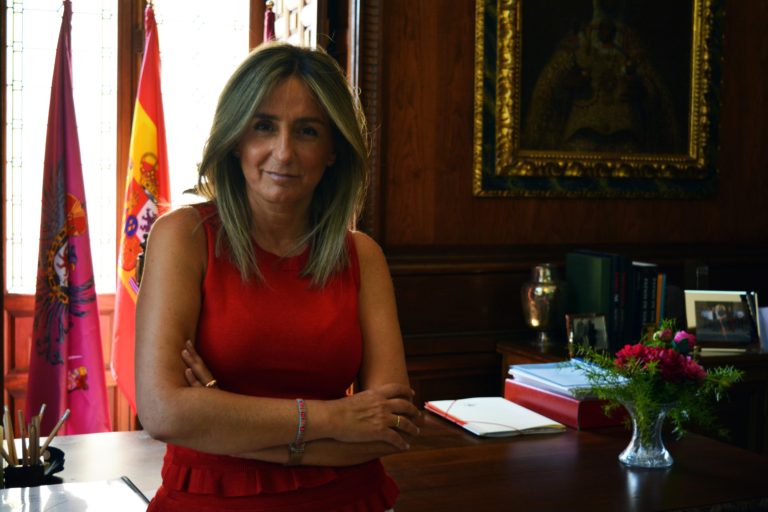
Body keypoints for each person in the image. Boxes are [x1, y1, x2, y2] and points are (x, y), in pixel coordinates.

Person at [135, 42, 422, 512]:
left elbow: (389, 429)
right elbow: (164, 412)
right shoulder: (184, 236)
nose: (284, 152)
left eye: (307, 131)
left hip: (350, 500)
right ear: (236, 139)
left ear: (333, 150)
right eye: (264, 126)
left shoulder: (362, 256)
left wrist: (222, 419)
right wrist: (336, 419)